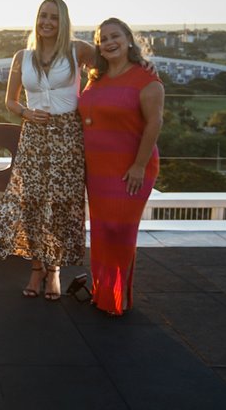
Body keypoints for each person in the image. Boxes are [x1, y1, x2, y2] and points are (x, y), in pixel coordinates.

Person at [0, 0, 96, 301]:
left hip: (67, 135)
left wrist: (140, 64)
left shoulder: (77, 50)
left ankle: (54, 269)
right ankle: (36, 267)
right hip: (34, 136)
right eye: (43, 16)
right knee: (30, 202)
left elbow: (112, 64)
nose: (47, 22)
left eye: (54, 17)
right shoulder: (22, 56)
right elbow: (10, 101)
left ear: (63, 21)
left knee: (59, 203)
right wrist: (26, 113)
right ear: (36, 19)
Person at [78, 18, 164, 316]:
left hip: (132, 166)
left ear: (129, 39)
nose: (109, 42)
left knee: (120, 230)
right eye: (102, 38)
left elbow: (155, 123)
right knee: (102, 230)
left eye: (115, 36)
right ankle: (102, 292)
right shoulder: (95, 76)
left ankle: (118, 297)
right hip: (97, 168)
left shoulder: (146, 79)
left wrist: (139, 165)